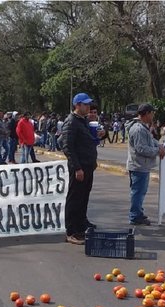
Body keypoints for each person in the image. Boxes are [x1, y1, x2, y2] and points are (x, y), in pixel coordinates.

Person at [60, 92, 97, 245]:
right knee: (74, 199)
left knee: (83, 198)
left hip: (88, 166)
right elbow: (67, 146)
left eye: (89, 104)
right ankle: (71, 231)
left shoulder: (83, 121)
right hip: (79, 167)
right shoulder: (71, 122)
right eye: (85, 104)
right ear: (77, 105)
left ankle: (81, 226)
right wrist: (77, 168)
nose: (88, 107)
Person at [125, 103, 165, 225]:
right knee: (137, 192)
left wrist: (158, 145)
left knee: (140, 192)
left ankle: (138, 213)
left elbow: (150, 140)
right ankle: (135, 216)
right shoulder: (138, 129)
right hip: (138, 166)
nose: (153, 115)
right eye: (152, 113)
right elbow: (141, 149)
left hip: (142, 165)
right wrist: (158, 151)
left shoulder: (142, 127)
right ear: (147, 113)